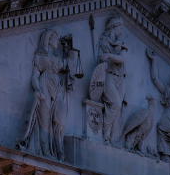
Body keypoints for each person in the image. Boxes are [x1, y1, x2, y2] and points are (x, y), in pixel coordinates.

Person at [16, 28, 79, 161]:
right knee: (44, 121)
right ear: (48, 40)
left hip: (58, 89)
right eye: (55, 39)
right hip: (44, 85)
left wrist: (68, 45)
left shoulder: (58, 58)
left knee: (60, 120)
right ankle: (46, 152)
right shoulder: (40, 56)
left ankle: (59, 149)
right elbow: (34, 76)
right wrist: (38, 89)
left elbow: (72, 63)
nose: (57, 41)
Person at [88, 16, 128, 144]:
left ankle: (110, 136)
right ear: (113, 27)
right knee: (115, 104)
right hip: (108, 76)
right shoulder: (103, 42)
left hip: (120, 79)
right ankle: (105, 135)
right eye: (120, 27)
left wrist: (110, 55)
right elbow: (100, 61)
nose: (121, 31)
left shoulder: (120, 45)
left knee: (118, 107)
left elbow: (123, 59)